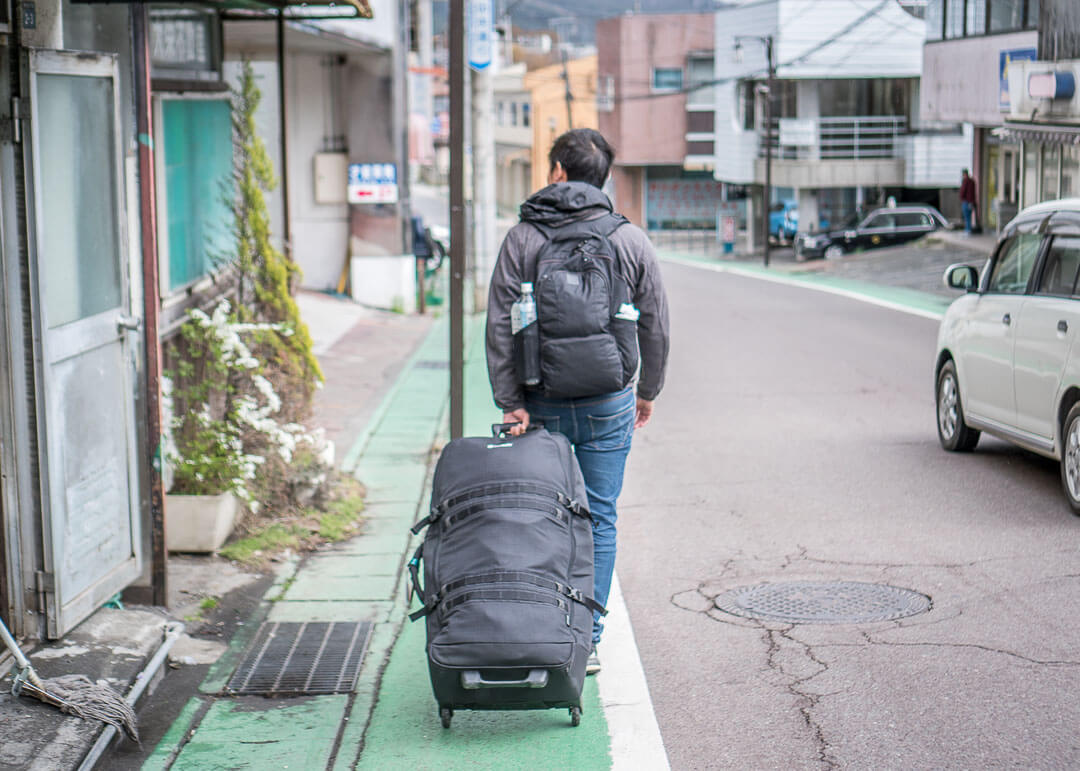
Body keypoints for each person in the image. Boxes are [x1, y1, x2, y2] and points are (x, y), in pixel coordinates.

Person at [485, 128, 670, 675]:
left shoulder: (523, 238)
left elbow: (499, 320)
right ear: (604, 179)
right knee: (600, 517)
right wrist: (648, 389)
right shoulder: (629, 239)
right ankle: (585, 640)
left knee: (543, 518)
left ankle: (543, 629)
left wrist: (509, 399)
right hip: (609, 399)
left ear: (558, 172)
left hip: (540, 398)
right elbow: (656, 321)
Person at [960, 169, 977, 235]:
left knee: (966, 216)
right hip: (971, 201)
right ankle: (968, 229)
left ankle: (967, 230)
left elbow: (963, 191)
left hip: (966, 201)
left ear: (964, 174)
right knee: (969, 216)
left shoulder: (965, 181)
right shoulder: (972, 181)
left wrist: (961, 197)